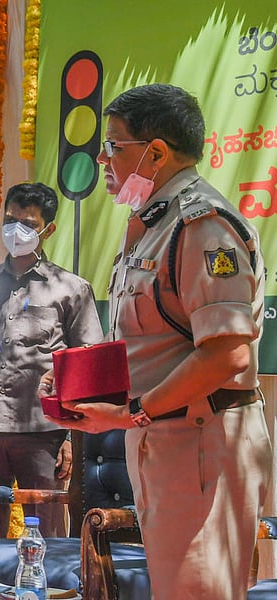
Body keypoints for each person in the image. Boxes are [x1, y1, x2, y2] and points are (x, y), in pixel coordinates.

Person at [44, 83, 272, 598]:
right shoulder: (153, 224)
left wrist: (135, 412)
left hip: (202, 444)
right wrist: (83, 384)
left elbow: (227, 350)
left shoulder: (203, 225)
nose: (101, 157)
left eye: (113, 145)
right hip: (166, 444)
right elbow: (156, 340)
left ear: (156, 152)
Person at [0, 182, 103, 539]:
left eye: (28, 224)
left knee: (44, 536)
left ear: (48, 229)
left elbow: (86, 368)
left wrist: (70, 439)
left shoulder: (70, 288)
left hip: (44, 435)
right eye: (11, 220)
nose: (17, 231)